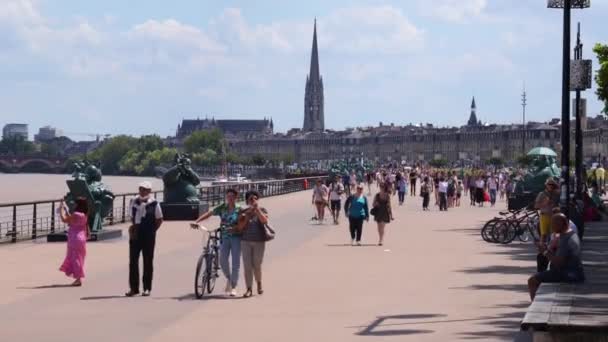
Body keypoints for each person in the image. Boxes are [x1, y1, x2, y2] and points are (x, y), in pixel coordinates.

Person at [195, 188, 242, 297]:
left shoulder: (240, 209)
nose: (230, 198)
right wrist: (197, 221)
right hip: (224, 237)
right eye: (228, 196)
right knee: (222, 261)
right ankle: (230, 279)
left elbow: (244, 222)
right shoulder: (222, 207)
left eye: (232, 196)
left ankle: (234, 287)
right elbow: (209, 213)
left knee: (236, 263)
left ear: (236, 197)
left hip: (236, 238)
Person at [527, 213, 585, 301]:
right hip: (574, 271)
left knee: (532, 280)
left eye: (553, 224)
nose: (552, 227)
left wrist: (545, 251)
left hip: (569, 273)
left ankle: (535, 304)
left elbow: (559, 263)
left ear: (561, 224)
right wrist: (547, 248)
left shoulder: (566, 239)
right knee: (542, 268)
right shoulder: (569, 234)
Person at [126, 181, 163, 297]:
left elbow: (159, 219)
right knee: (133, 262)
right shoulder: (133, 201)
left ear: (149, 191)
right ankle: (133, 288)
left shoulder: (154, 204)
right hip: (135, 234)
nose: (143, 191)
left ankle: (147, 288)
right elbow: (131, 216)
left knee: (147, 261)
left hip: (148, 235)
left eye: (145, 189)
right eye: (141, 189)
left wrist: (152, 230)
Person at [239, 190, 269, 298]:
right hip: (245, 241)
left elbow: (265, 221)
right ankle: (249, 288)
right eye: (251, 199)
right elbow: (240, 227)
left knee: (257, 264)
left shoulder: (262, 210)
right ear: (247, 200)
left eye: (255, 198)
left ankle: (259, 283)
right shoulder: (242, 210)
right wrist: (247, 215)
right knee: (247, 266)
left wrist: (256, 210)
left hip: (259, 241)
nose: (253, 200)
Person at [58, 197, 89, 287]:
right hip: (82, 238)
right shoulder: (84, 214)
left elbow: (64, 220)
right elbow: (72, 221)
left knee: (75, 259)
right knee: (79, 258)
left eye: (75, 203)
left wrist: (60, 210)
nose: (74, 205)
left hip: (74, 239)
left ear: (78, 205)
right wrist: (66, 210)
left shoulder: (75, 214)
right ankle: (77, 278)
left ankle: (78, 279)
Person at [534, 178, 560, 251]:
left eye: (552, 184)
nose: (551, 186)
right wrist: (544, 203)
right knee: (543, 234)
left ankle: (552, 249)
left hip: (553, 216)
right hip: (544, 215)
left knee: (553, 234)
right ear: (546, 185)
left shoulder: (556, 194)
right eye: (549, 184)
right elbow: (536, 206)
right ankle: (542, 250)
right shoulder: (542, 194)